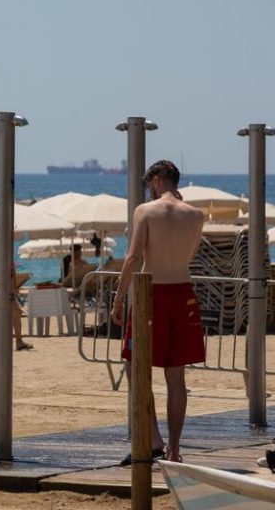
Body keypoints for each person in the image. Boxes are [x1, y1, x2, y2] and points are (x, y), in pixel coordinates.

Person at [110, 160, 205, 464]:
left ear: (156, 180)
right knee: (176, 377)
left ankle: (153, 439)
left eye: (149, 183)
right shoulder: (196, 215)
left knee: (137, 369)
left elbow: (133, 257)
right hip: (184, 293)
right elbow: (189, 255)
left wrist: (119, 297)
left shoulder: (145, 211)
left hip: (152, 294)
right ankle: (174, 449)